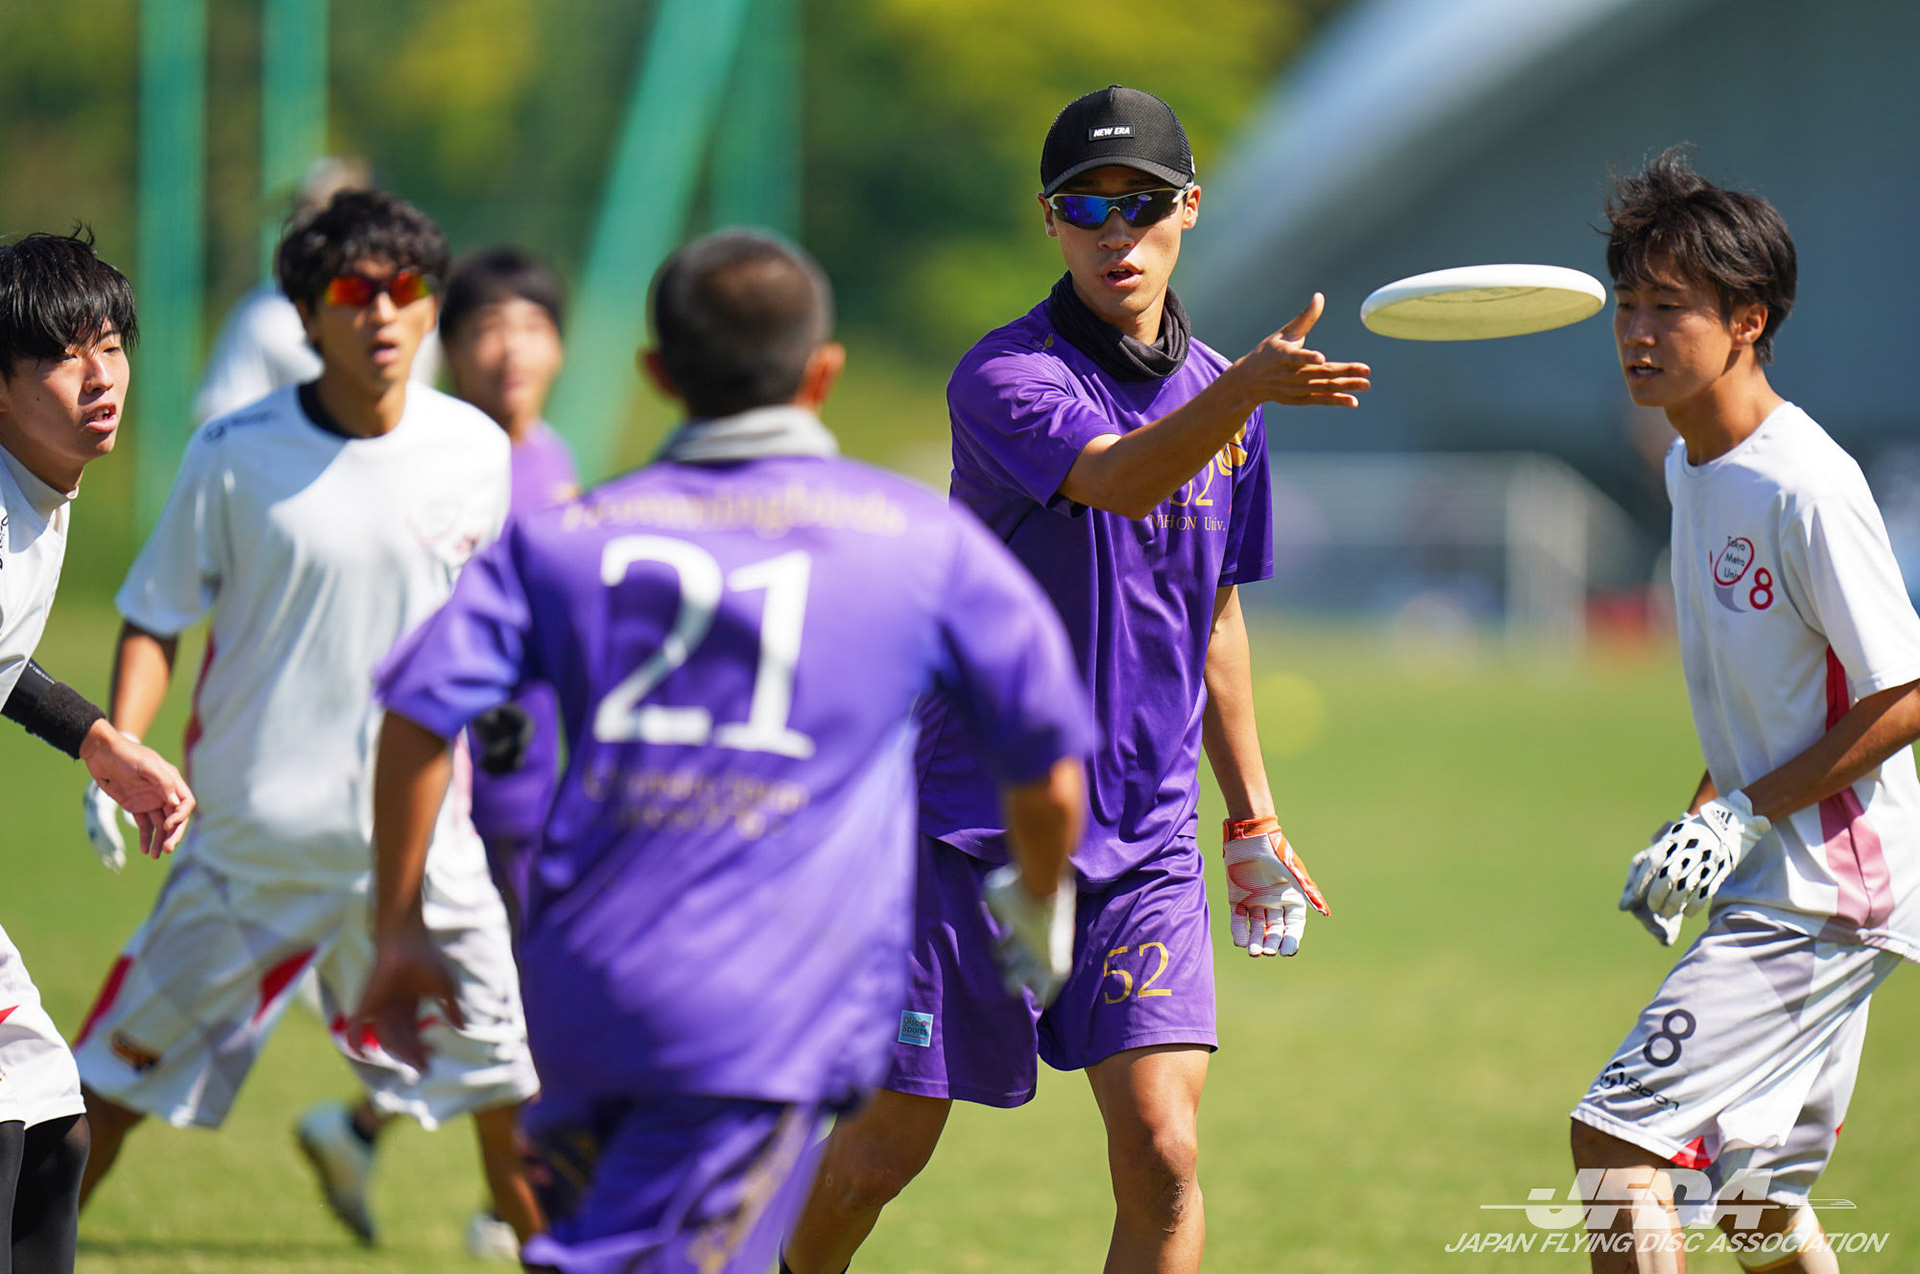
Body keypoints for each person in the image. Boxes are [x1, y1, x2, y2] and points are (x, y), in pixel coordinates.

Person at [354, 228, 1096, 1274]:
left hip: (581, 992)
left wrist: (399, 926)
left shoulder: (565, 537)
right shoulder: (919, 541)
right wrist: (1040, 897)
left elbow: (419, 710)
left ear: (658, 375)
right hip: (775, 1003)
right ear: (823, 372)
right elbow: (1048, 765)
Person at [783, 85, 1371, 1274]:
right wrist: (1245, 392)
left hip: (1145, 843)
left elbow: (1215, 613)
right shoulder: (1006, 376)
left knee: (1164, 1152)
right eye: (1087, 206)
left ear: (1190, 209)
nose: (1117, 232)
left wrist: (1252, 814)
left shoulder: (1229, 392)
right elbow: (1119, 477)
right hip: (971, 828)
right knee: (880, 1154)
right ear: (1048, 220)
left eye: (1142, 204)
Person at [67, 191, 542, 1259]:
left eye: (405, 289)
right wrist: (119, 748)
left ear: (431, 307)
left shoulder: (475, 449)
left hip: (424, 857)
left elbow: (498, 624)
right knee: (104, 1096)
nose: (382, 313)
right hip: (254, 846)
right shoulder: (234, 452)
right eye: (353, 291)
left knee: (514, 1109)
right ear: (306, 312)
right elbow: (156, 614)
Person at [1572, 148, 1920, 1273]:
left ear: (1748, 320)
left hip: (1825, 892)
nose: (1637, 333)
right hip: (1786, 878)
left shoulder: (1803, 484)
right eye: (1627, 304)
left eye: (1669, 308)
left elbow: (1906, 690)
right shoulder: (1692, 466)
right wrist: (1701, 822)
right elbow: (1763, 700)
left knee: (1615, 1147)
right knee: (1755, 1202)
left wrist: (1741, 816)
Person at [0, 229, 194, 1274]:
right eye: (61, 356)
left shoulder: (37, 482)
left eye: (110, 346)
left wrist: (95, 737)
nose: (100, 377)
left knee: (49, 1131)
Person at [436, 246, 579, 920]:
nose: (512, 350)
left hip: (526, 769)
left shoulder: (552, 456)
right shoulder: (432, 459)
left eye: (532, 327)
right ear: (449, 347)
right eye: (489, 328)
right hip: (433, 761)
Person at [193, 157, 441, 425]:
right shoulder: (263, 316)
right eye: (310, 213)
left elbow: (416, 414)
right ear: (307, 316)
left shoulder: (409, 303)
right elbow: (223, 416)